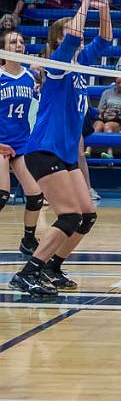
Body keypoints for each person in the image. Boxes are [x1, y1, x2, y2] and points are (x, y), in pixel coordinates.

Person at [9, 0, 112, 296]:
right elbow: (73, 36)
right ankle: (28, 273)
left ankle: (52, 268)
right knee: (69, 216)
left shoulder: (82, 63)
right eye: (71, 31)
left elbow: (105, 40)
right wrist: (83, 4)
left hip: (65, 155)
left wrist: (103, 8)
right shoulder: (57, 66)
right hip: (43, 150)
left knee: (87, 216)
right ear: (59, 39)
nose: (77, 33)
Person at [0, 30, 45, 257]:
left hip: (21, 142)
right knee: (2, 195)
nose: (18, 45)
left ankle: (28, 240)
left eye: (21, 41)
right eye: (12, 42)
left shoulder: (30, 77)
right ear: (3, 50)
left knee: (36, 194)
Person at [91, 77, 121, 157]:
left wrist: (119, 113)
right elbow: (100, 108)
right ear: (114, 83)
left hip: (118, 119)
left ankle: (109, 153)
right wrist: (105, 112)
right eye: (118, 83)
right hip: (104, 116)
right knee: (98, 125)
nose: (120, 85)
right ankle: (88, 151)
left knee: (107, 126)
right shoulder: (106, 93)